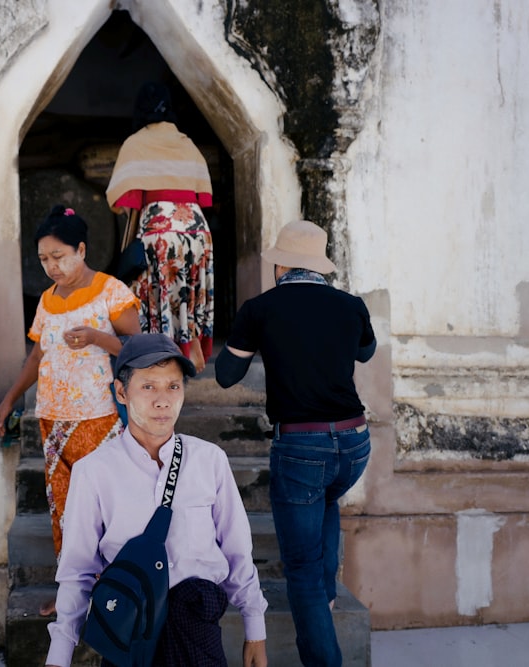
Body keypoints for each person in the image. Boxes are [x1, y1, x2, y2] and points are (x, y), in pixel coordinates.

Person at [47, 333, 268, 667]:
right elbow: (77, 572)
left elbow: (237, 552)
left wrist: (255, 629)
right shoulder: (93, 471)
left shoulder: (209, 460)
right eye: (148, 387)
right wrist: (59, 656)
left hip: (197, 632)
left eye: (173, 387)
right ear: (121, 392)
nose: (163, 400)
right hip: (128, 634)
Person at [214, 220, 377, 667]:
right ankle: (325, 599)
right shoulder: (351, 305)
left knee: (300, 570)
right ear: (319, 266)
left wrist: (252, 342)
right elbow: (366, 352)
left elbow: (227, 376)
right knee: (326, 499)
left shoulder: (260, 309)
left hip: (302, 446)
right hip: (355, 442)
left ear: (281, 263)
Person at [0, 205, 141, 615]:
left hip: (101, 418)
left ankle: (115, 590)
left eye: (59, 256)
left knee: (107, 507)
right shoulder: (46, 300)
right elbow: (37, 358)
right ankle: (73, 594)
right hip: (53, 421)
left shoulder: (111, 291)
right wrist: (9, 400)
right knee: (64, 509)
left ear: (81, 249)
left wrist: (97, 336)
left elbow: (143, 349)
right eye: (43, 259)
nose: (52, 266)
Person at [106, 81, 215, 373]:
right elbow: (204, 195)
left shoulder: (135, 143)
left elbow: (120, 198)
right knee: (187, 290)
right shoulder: (185, 142)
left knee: (157, 291)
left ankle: (162, 352)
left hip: (160, 226)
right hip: (195, 228)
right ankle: (191, 346)